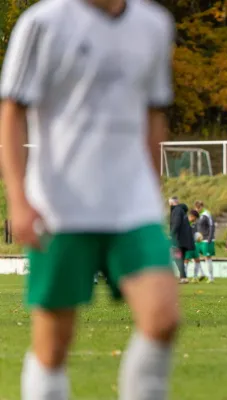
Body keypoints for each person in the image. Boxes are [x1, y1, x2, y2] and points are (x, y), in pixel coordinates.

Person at [0, 0, 179, 398]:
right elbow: (12, 111)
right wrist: (19, 199)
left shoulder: (154, 24)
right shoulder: (42, 23)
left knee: (162, 317)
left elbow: (153, 115)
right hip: (62, 208)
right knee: (52, 348)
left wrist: (152, 188)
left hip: (133, 205)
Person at [169, 196, 195, 284]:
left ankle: (183, 277)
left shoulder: (176, 210)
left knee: (177, 258)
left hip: (178, 239)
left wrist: (171, 234)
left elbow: (176, 223)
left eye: (170, 202)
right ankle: (183, 277)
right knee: (180, 258)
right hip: (184, 239)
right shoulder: (182, 210)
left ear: (172, 202)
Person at [194, 201, 216, 283]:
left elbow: (212, 225)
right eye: (196, 207)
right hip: (198, 240)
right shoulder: (197, 215)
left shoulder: (207, 214)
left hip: (207, 239)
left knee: (207, 257)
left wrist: (210, 238)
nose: (197, 209)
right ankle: (202, 273)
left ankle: (211, 277)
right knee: (195, 256)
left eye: (199, 207)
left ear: (202, 206)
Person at [186, 210, 206, 282]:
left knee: (197, 259)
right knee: (186, 260)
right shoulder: (184, 223)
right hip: (186, 244)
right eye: (195, 218)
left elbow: (196, 234)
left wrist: (198, 238)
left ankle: (195, 277)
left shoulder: (194, 224)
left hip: (193, 244)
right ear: (192, 216)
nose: (196, 220)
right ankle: (184, 277)